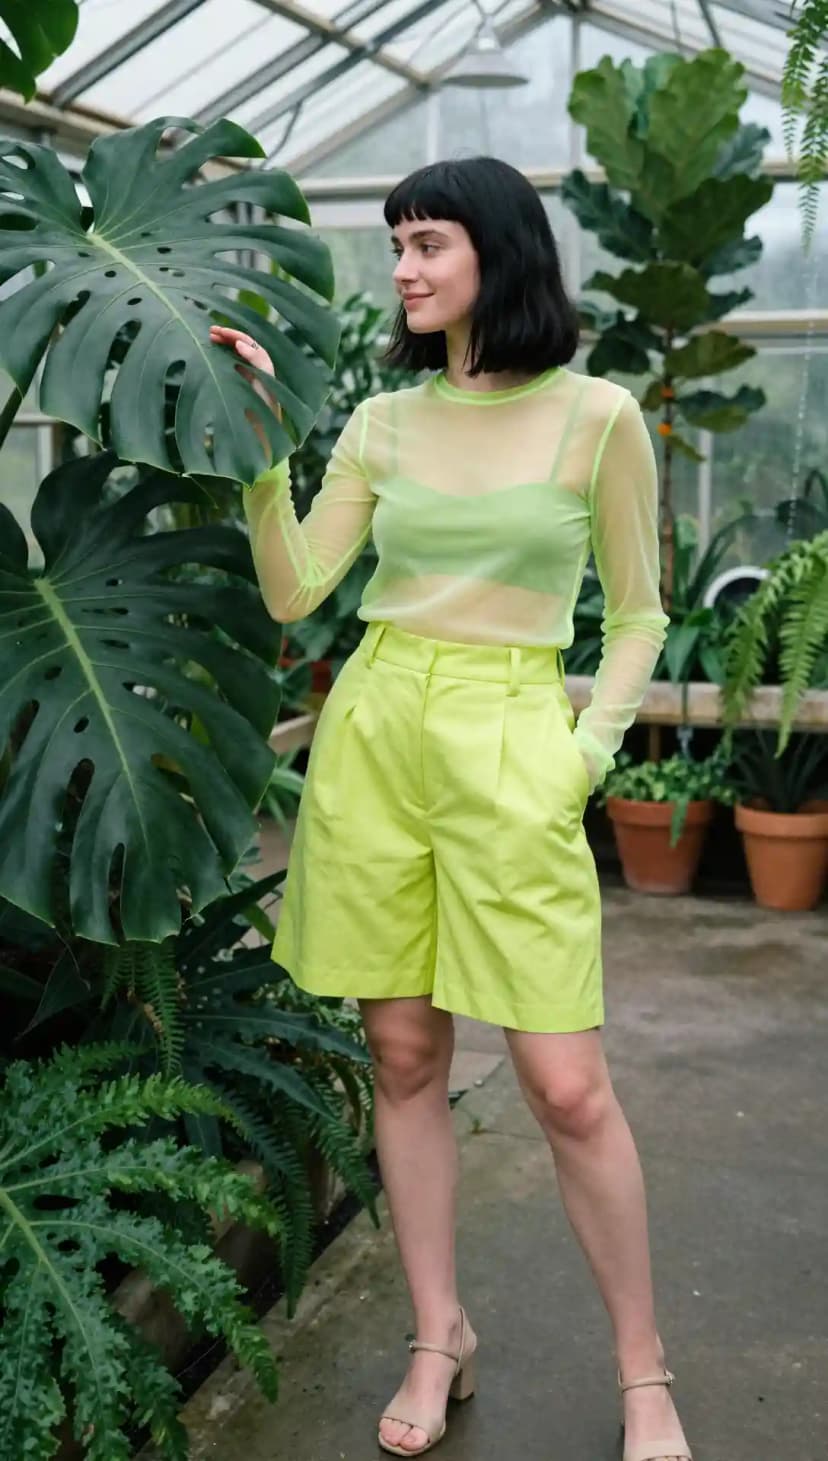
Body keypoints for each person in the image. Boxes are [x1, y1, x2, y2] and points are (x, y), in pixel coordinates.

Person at [209, 155, 691, 1461]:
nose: (404, 268)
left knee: (567, 1086)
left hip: (514, 738)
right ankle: (440, 1334)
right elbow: (297, 590)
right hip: (379, 736)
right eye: (398, 245)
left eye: (428, 243)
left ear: (499, 251)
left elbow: (640, 615)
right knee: (406, 1057)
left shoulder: (598, 417)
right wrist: (264, 452)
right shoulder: (384, 421)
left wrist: (581, 760)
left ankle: (643, 1370)